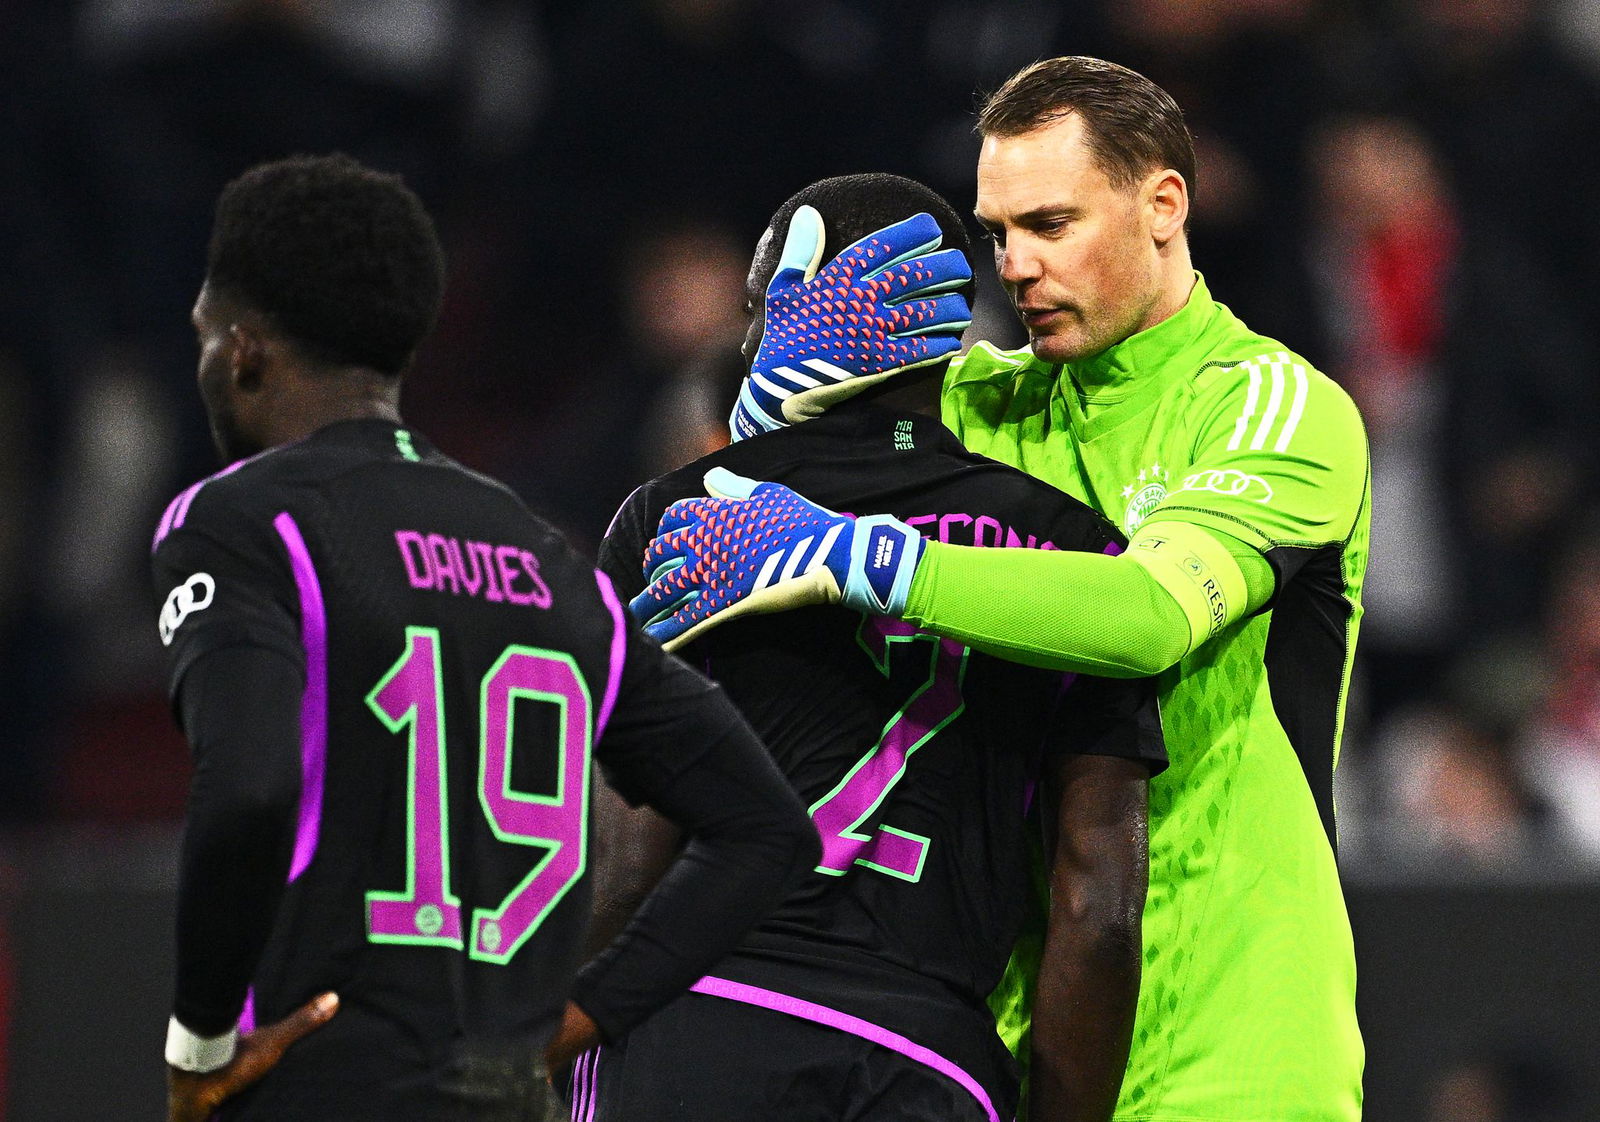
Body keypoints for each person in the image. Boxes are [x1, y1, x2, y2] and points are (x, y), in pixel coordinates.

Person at [636, 58, 1368, 1122]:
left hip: (1235, 1049)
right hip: (1026, 1040)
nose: (1014, 267)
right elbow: (780, 428)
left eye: (1051, 225)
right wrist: (783, 346)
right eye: (996, 233)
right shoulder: (983, 408)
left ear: (1163, 204)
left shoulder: (1271, 409)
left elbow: (1148, 616)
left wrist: (854, 555)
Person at [151, 153, 818, 1122]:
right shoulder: (546, 555)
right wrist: (573, 1022)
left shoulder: (241, 518)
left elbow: (249, 785)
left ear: (244, 350)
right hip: (504, 1093)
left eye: (206, 336)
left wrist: (200, 1044)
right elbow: (764, 828)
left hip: (327, 1083)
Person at [589, 174, 1166, 1122]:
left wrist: (540, 1037)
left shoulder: (691, 514)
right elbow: (1099, 907)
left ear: (814, 302)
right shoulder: (1076, 553)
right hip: (925, 1055)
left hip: (698, 1018)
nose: (743, 343)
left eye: (758, 305)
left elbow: (624, 848)